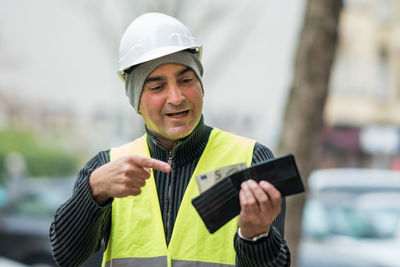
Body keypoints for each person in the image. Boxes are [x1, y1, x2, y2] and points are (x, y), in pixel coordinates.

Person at [49, 12, 291, 267]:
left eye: (186, 80)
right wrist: (93, 192)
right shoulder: (107, 167)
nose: (176, 97)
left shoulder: (251, 159)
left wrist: (256, 236)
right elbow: (66, 256)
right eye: (157, 87)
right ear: (136, 101)